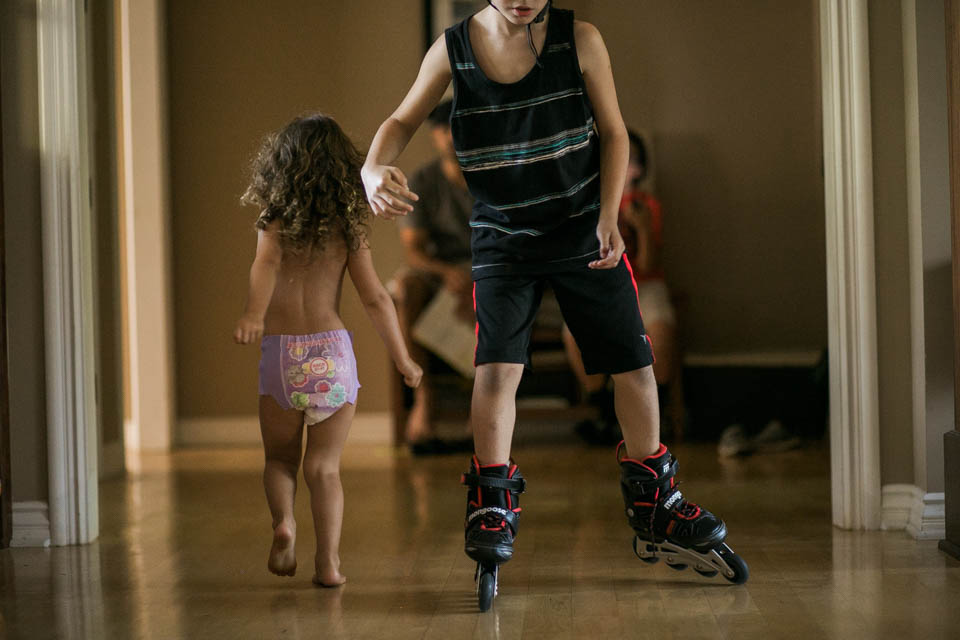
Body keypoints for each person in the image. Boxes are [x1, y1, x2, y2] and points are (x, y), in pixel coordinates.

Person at [361, 0, 745, 605]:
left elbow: (614, 132)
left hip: (582, 226)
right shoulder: (452, 49)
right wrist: (372, 169)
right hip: (502, 237)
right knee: (496, 368)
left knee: (633, 360)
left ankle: (654, 501)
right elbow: (400, 121)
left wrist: (609, 215)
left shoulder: (580, 39)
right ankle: (491, 502)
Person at [234, 114, 423, 587]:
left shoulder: (273, 220)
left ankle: (284, 524)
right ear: (343, 169)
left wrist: (255, 315)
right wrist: (403, 358)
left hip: (282, 355)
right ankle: (329, 564)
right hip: (331, 357)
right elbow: (376, 298)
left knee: (280, 459)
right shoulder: (346, 227)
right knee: (324, 468)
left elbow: (264, 265)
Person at [564, 129, 678, 444]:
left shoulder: (646, 206)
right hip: (599, 285)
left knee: (662, 330)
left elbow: (648, 265)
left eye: (634, 162)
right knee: (575, 331)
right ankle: (601, 407)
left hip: (644, 284)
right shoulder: (586, 203)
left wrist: (640, 228)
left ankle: (659, 409)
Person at [393, 99, 474, 454]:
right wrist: (446, 273)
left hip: (489, 269)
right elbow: (415, 251)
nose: (451, 136)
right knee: (405, 288)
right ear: (435, 136)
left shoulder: (491, 176)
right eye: (443, 129)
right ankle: (423, 398)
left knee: (490, 292)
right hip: (441, 271)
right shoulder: (423, 180)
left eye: (458, 126)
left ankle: (481, 407)